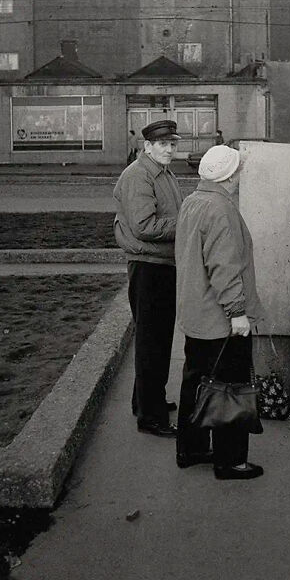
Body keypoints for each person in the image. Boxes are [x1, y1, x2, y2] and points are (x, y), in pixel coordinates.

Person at [174, 144, 265, 479]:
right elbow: (224, 269)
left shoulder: (193, 201)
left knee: (195, 381)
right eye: (238, 171)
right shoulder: (221, 209)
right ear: (229, 177)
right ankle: (230, 460)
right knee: (231, 386)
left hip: (196, 313)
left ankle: (192, 448)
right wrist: (238, 312)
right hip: (221, 319)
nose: (240, 176)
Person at [113, 119, 183, 437]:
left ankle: (146, 400)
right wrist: (187, 223)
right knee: (152, 342)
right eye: (163, 144)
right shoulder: (139, 175)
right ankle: (151, 417)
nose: (169, 149)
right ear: (148, 146)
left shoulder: (162, 172)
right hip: (148, 267)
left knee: (155, 339)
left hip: (160, 265)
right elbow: (145, 226)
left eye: (172, 143)